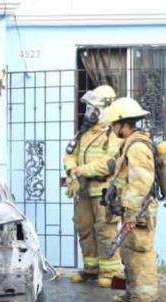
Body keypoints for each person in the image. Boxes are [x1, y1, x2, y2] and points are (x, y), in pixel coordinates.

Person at [63, 85, 124, 287]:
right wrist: (72, 169)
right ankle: (91, 269)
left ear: (105, 108)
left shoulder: (114, 133)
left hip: (103, 192)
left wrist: (83, 170)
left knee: (105, 230)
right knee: (84, 228)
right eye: (88, 108)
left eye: (93, 108)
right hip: (83, 191)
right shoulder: (84, 133)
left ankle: (111, 273)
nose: (89, 112)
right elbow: (70, 154)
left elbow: (110, 162)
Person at [103, 97, 158, 302]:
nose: (113, 129)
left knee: (140, 251)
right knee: (128, 251)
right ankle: (133, 292)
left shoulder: (137, 146)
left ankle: (144, 299)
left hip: (140, 210)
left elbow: (141, 182)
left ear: (122, 123)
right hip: (132, 210)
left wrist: (133, 212)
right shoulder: (130, 144)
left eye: (114, 125)